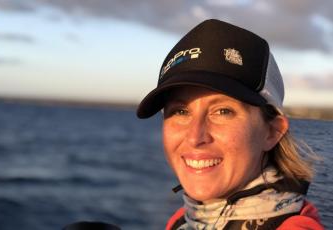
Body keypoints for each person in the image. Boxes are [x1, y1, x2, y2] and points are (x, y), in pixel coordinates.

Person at [136, 19, 324, 229]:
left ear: (272, 131)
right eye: (180, 111)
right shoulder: (183, 219)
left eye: (223, 111)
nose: (195, 137)